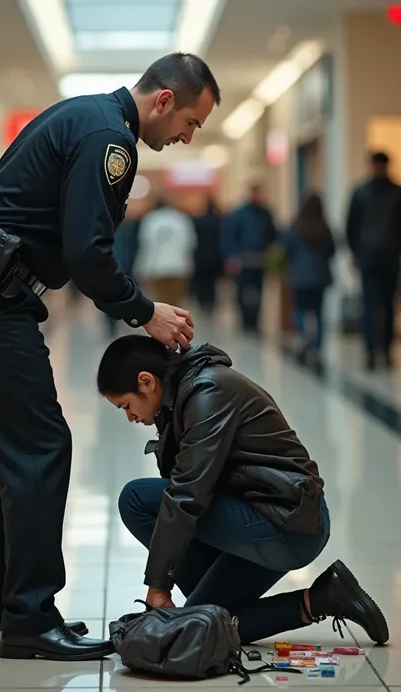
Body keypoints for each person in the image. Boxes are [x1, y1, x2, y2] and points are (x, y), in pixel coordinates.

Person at [0, 52, 221, 661]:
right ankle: (30, 618)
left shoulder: (85, 118)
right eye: (191, 122)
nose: (189, 136)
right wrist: (146, 312)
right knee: (41, 448)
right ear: (164, 100)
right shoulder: (111, 138)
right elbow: (86, 252)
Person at [97, 335, 389, 646]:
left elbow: (186, 495)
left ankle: (209, 607)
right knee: (196, 628)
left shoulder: (206, 392)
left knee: (137, 499)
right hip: (268, 515)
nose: (130, 417)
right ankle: (322, 598)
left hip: (286, 522)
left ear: (146, 382)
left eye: (126, 406)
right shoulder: (184, 395)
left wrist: (159, 586)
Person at [346, 151, 401, 370]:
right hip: (388, 256)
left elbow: (351, 225)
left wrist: (355, 251)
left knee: (370, 304)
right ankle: (385, 351)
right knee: (387, 304)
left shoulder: (360, 192)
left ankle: (371, 351)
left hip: (368, 256)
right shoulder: (397, 192)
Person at [283, 193, 336, 362]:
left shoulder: (297, 227)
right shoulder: (324, 228)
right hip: (320, 278)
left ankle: (304, 338)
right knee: (318, 312)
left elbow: (286, 248)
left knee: (300, 310)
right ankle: (317, 347)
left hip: (300, 278)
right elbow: (332, 251)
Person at [221, 184, 277, 334]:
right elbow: (230, 236)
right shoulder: (239, 214)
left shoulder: (266, 214)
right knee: (243, 292)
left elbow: (272, 235)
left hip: (259, 260)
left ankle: (254, 322)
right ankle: (245, 321)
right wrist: (231, 257)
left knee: (258, 292)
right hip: (243, 260)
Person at [134, 198, 197, 307]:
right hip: (178, 267)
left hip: (156, 267)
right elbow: (190, 243)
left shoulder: (151, 220)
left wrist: (141, 269)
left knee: (159, 305)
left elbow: (145, 245)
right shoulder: (181, 219)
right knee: (176, 304)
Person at [191, 196, 223, 313]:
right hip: (215, 257)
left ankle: (202, 300)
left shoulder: (198, 221)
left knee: (202, 281)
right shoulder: (218, 221)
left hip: (200, 257)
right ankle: (211, 301)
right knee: (212, 282)